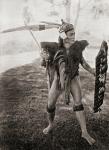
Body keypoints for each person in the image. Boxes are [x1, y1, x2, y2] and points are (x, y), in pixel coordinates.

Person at [42, 20, 96, 145]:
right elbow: (47, 62)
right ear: (64, 35)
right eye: (71, 34)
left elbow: (83, 63)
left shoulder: (77, 47)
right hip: (58, 79)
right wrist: (45, 58)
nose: (74, 36)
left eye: (74, 33)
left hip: (74, 77)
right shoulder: (54, 48)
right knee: (50, 104)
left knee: (78, 104)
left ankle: (84, 132)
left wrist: (92, 71)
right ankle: (50, 125)